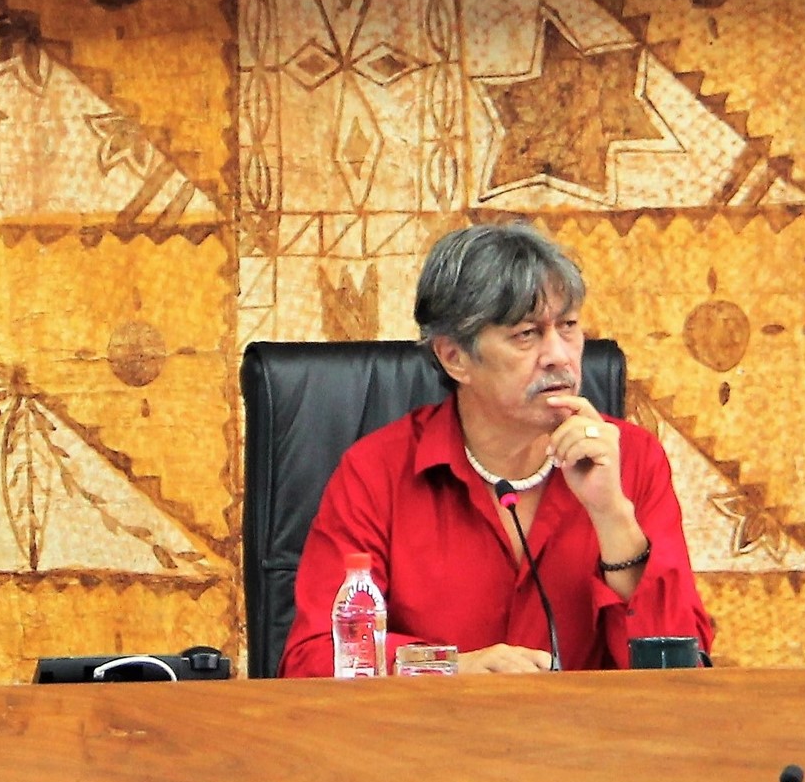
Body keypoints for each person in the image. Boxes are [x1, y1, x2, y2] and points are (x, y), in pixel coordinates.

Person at [280, 223, 713, 676]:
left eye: (568, 326)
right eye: (526, 334)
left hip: (588, 723)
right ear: (454, 358)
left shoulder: (631, 459)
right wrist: (448, 669)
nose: (559, 355)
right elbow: (314, 657)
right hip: (432, 723)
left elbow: (683, 674)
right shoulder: (377, 472)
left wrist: (612, 515)